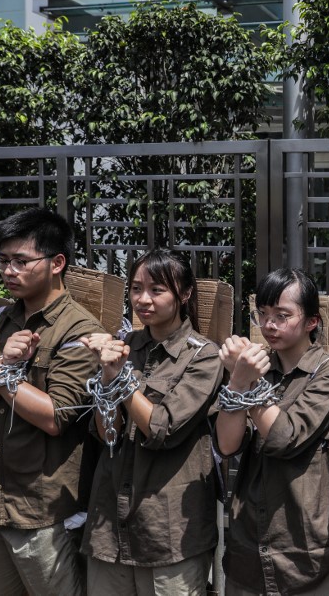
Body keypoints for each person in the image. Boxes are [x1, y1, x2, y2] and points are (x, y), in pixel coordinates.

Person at [0, 207, 104, 596]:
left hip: (41, 509)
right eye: (3, 261)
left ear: (57, 263)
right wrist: (3, 362)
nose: (8, 271)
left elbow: (56, 416)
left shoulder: (80, 331)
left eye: (21, 261)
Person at [79, 248, 224, 595]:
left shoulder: (204, 356)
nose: (143, 299)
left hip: (169, 528)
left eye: (157, 290)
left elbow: (161, 428)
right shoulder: (122, 346)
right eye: (136, 288)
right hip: (109, 526)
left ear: (184, 294)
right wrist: (106, 373)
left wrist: (119, 379)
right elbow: (106, 434)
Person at [215, 268, 329, 595]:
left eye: (283, 315)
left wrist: (248, 381)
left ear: (311, 321)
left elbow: (285, 436)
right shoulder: (256, 366)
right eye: (263, 314)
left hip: (312, 556)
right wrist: (237, 381)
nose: (269, 325)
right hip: (250, 549)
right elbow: (226, 445)